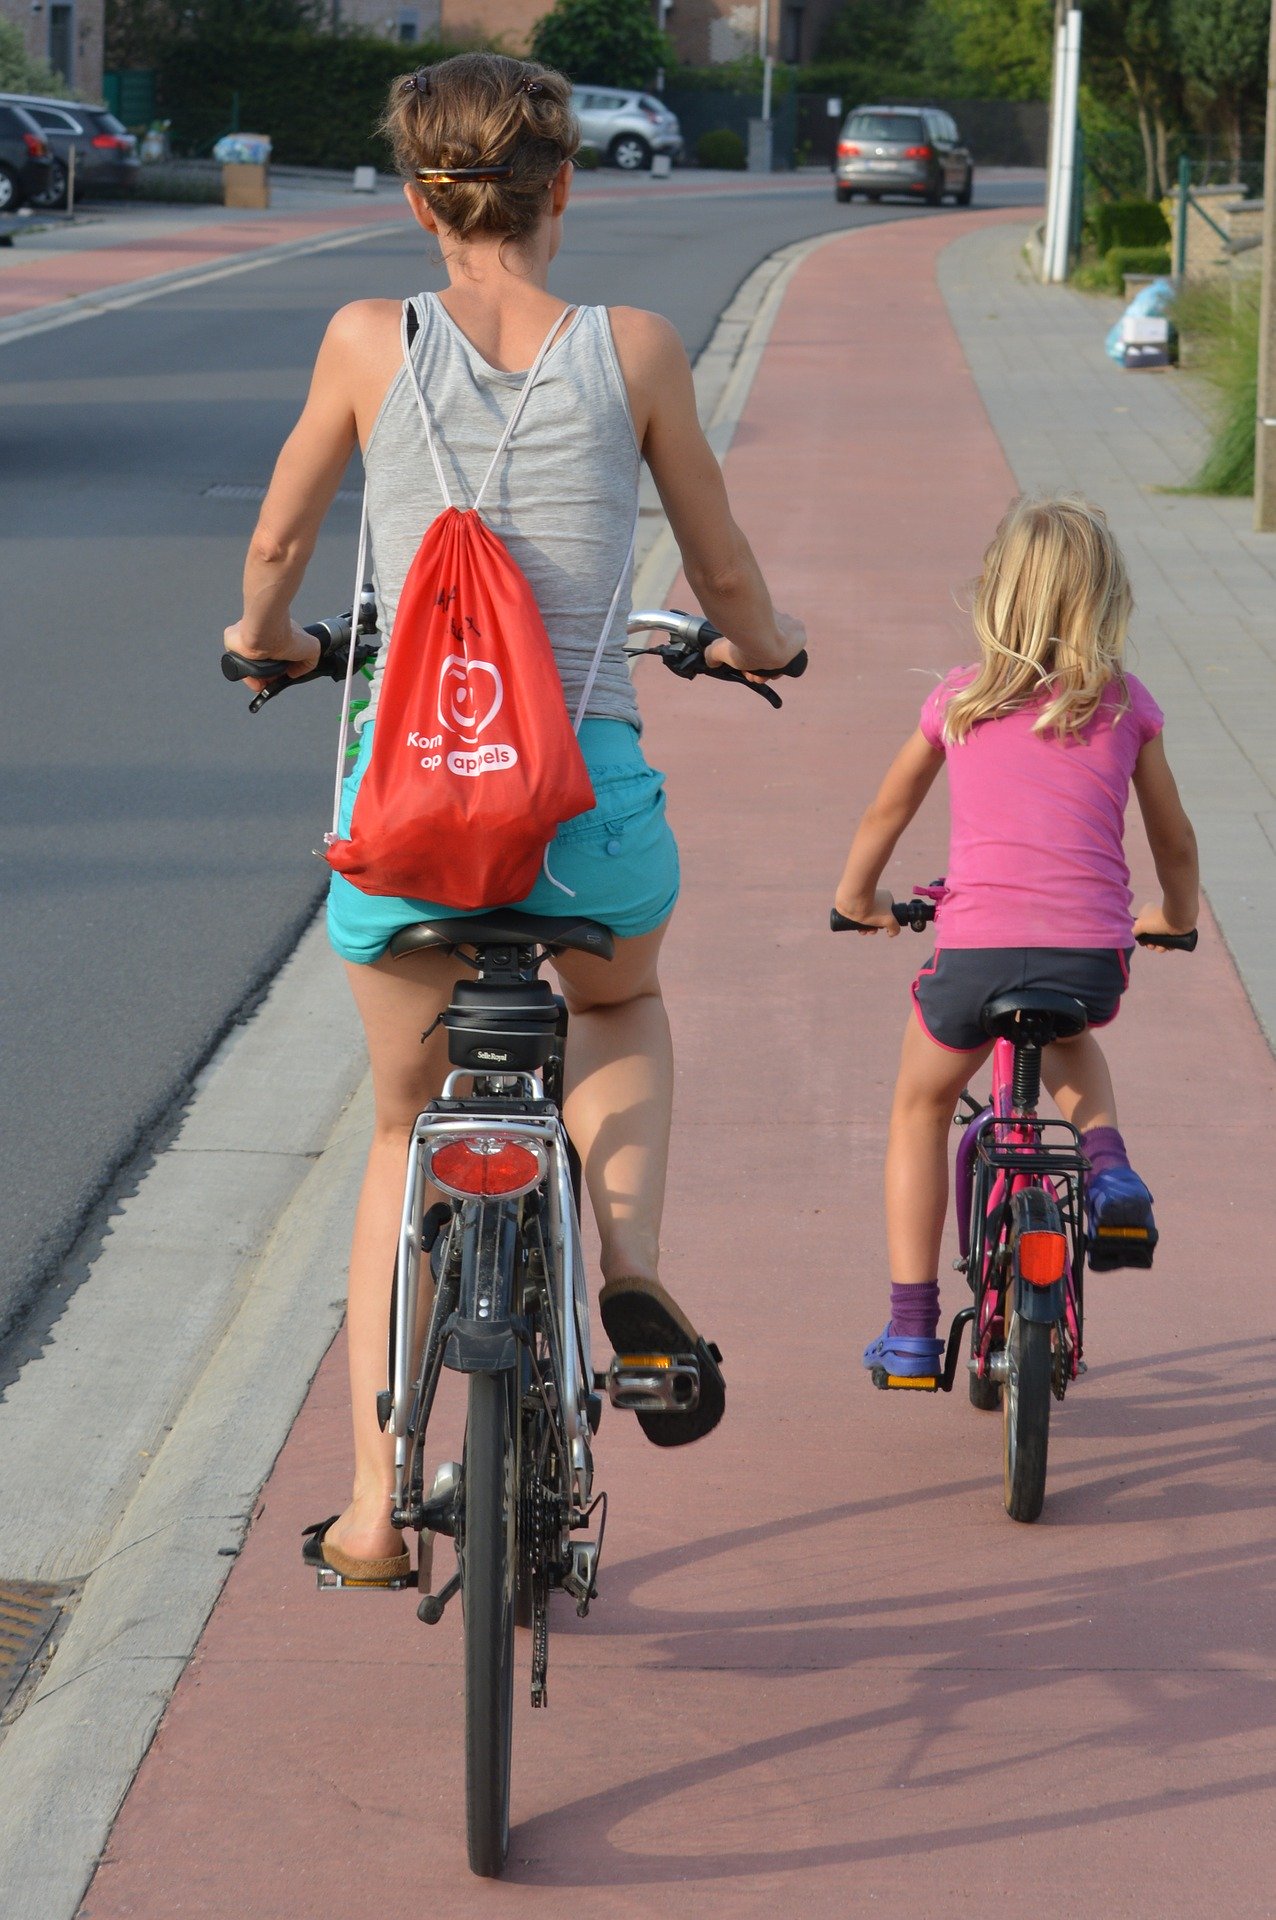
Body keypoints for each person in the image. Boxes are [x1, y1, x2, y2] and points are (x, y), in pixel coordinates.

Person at [223, 52, 806, 1581]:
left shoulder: (367, 339)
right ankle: (629, 1265)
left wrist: (267, 640)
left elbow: (284, 534)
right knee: (624, 994)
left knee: (403, 1122)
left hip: (409, 805)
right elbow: (726, 576)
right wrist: (760, 643)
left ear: (420, 200)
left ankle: (366, 1499)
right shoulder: (639, 350)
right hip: (578, 806)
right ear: (565, 190)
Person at [831, 495, 1198, 1378]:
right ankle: (1109, 1170)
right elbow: (1173, 837)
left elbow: (888, 808)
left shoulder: (957, 700)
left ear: (995, 594)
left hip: (974, 955)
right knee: (1073, 1031)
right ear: (1104, 601)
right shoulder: (1123, 703)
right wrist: (1174, 919)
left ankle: (914, 1330)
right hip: (1089, 955)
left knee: (920, 1106)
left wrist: (858, 900)